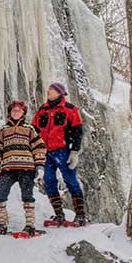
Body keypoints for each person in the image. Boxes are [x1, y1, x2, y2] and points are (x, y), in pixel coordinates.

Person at [31, 82, 87, 226]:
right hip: (45, 152)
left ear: (59, 92)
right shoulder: (42, 110)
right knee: (49, 182)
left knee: (71, 180)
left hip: (63, 151)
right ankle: (59, 215)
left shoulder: (70, 109)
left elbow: (77, 132)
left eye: (51, 89)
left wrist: (74, 151)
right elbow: (33, 130)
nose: (48, 91)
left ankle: (80, 215)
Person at [0, 100, 47, 236]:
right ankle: (2, 224)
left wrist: (39, 166)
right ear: (10, 112)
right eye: (14, 110)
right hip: (7, 168)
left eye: (19, 110)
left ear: (23, 113)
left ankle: (30, 226)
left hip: (27, 168)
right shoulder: (3, 130)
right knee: (0, 194)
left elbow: (39, 147)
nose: (16, 112)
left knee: (27, 196)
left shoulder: (29, 129)